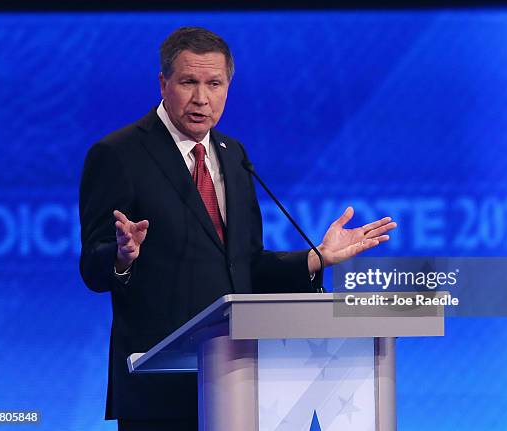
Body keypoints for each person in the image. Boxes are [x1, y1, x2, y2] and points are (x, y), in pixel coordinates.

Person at [79, 26, 397, 431]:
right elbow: (92, 265)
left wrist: (317, 259)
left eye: (214, 84)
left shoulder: (234, 155)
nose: (201, 98)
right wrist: (122, 256)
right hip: (157, 386)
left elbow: (245, 266)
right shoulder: (118, 155)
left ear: (228, 86)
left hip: (238, 381)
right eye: (188, 82)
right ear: (163, 83)